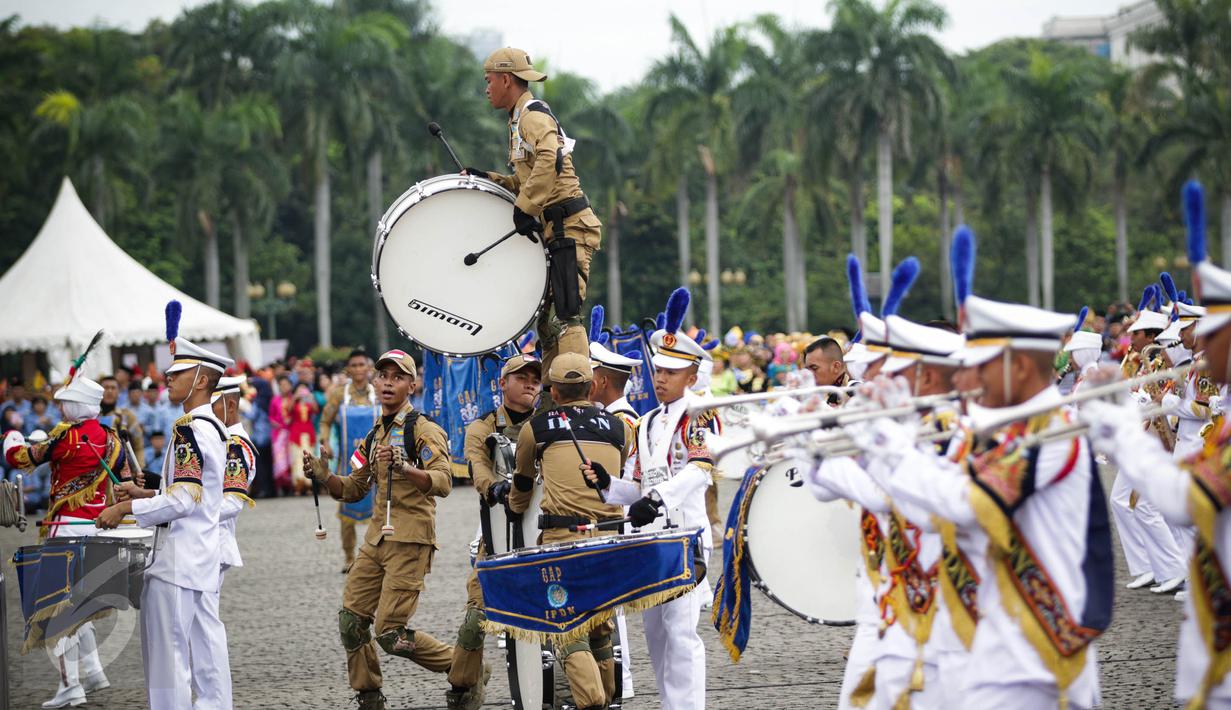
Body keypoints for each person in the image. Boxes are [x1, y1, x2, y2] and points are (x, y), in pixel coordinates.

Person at [851, 294, 1112, 709]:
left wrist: (888, 443)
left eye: (981, 365)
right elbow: (934, 508)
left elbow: (963, 504)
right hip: (1003, 644)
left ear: (1020, 366)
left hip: (1041, 648)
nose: (968, 377)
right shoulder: (1016, 428)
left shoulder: (1048, 433)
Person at [1080, 231, 1231, 707]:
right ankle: (1178, 573)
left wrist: (1132, 422)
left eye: (1203, 334)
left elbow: (1204, 416)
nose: (1192, 343)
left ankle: (1175, 572)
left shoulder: (1202, 368)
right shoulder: (1186, 363)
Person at [302, 349, 455, 710]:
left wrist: (405, 468)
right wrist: (323, 475)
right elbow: (352, 488)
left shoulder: (423, 429)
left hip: (410, 540)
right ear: (374, 381)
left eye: (397, 377)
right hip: (375, 540)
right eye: (383, 376)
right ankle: (369, 695)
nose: (388, 382)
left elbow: (443, 482)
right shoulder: (372, 437)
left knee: (390, 633)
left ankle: (463, 665)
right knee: (351, 622)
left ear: (411, 385)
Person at [585, 303, 715, 710]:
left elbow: (700, 468)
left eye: (671, 372)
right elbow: (640, 485)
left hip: (685, 539)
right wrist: (610, 487)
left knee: (680, 634)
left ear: (692, 377)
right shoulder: (646, 423)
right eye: (658, 371)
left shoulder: (697, 416)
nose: (660, 379)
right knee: (656, 636)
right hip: (651, 542)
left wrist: (657, 501)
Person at [96, 336, 232, 710]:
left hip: (178, 561)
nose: (168, 380)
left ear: (202, 380)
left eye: (178, 373)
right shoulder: (212, 427)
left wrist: (124, 510)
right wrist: (142, 494)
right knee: (205, 648)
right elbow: (195, 491)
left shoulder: (188, 430)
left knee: (167, 658)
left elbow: (184, 500)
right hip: (199, 555)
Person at [465, 47, 602, 389]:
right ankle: (554, 397)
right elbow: (528, 180)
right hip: (556, 228)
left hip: (570, 228)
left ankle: (576, 397)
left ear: (506, 79)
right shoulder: (517, 120)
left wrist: (524, 208)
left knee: (566, 315)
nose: (486, 88)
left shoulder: (531, 115)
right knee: (549, 323)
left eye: (489, 80)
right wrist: (489, 179)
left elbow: (550, 157)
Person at [508, 352, 630, 710]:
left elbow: (522, 485)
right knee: (600, 626)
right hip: (608, 541)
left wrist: (514, 509)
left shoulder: (537, 428)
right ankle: (606, 698)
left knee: (567, 624)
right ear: (592, 386)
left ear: (554, 392)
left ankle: (593, 701)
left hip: (564, 542)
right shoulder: (621, 428)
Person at [3, 375, 124, 708]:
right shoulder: (112, 438)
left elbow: (22, 458)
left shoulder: (67, 438)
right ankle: (95, 672)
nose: (59, 407)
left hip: (65, 529)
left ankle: (70, 685)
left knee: (54, 610)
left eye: (63, 402)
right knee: (78, 607)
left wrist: (11, 439)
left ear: (75, 405)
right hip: (98, 528)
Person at [445, 353, 541, 710]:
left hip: (545, 535)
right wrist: (497, 488)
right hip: (499, 535)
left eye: (536, 377)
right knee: (476, 616)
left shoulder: (548, 422)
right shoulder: (482, 427)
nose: (531, 382)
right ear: (503, 384)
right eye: (522, 377)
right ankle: (463, 688)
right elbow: (478, 467)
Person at [319, 349, 379, 573]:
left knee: (379, 510)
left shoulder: (378, 393)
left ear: (369, 368)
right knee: (347, 513)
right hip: (347, 461)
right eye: (353, 365)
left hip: (374, 461)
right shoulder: (338, 394)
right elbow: (325, 421)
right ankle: (349, 556)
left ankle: (377, 556)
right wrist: (326, 441)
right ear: (348, 369)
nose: (358, 369)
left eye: (361, 365)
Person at [99, 374, 145, 468]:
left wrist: (139, 469)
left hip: (123, 472)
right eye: (106, 388)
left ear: (118, 391)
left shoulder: (127, 416)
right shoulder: (92, 417)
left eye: (113, 388)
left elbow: (138, 446)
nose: (109, 391)